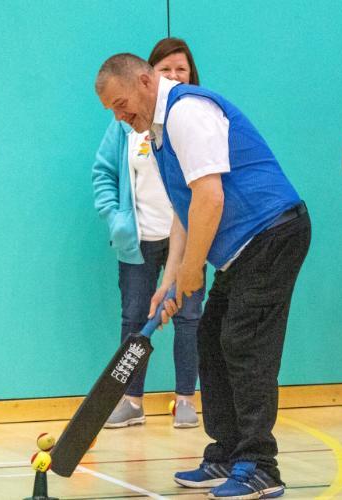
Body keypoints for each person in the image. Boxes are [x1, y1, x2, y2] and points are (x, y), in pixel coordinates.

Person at [95, 52, 310, 499]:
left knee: (244, 343)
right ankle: (227, 453)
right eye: (112, 110)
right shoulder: (154, 132)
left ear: (143, 81)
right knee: (211, 339)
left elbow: (209, 199)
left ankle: (260, 465)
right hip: (245, 245)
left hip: (272, 231)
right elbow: (185, 208)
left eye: (120, 103)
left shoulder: (187, 112)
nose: (119, 115)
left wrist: (193, 272)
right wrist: (170, 279)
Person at [92, 37, 205, 429]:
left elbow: (197, 195)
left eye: (182, 69)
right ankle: (132, 400)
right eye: (166, 69)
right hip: (138, 242)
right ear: (147, 76)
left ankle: (186, 400)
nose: (174, 75)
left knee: (189, 318)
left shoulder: (191, 118)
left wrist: (183, 261)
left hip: (187, 238)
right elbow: (103, 172)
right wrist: (117, 218)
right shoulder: (127, 124)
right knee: (134, 321)